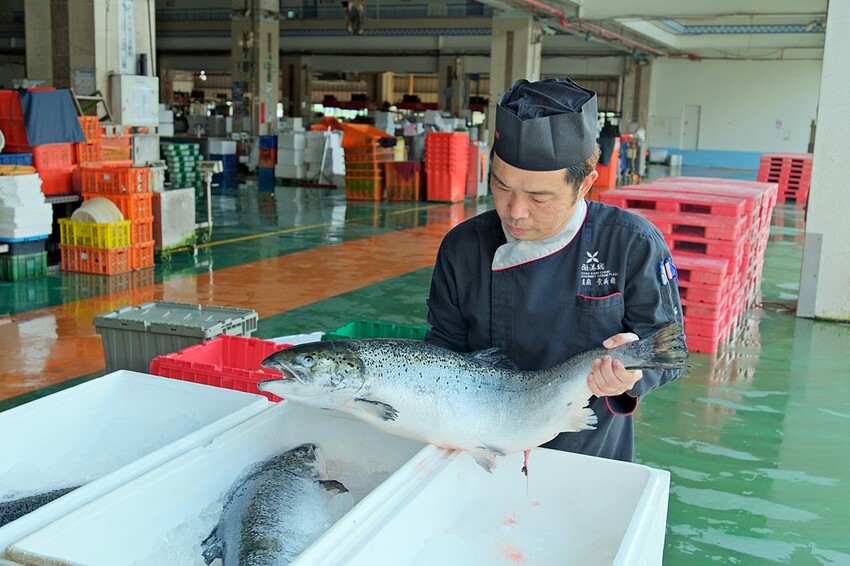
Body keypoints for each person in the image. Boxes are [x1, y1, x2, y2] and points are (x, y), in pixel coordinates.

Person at [424, 77, 685, 463]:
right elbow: (444, 346)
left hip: (588, 457)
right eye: (502, 187)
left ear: (585, 185)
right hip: (477, 449)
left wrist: (632, 375)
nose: (516, 211)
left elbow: (670, 350)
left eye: (539, 197)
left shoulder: (631, 244)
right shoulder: (463, 247)